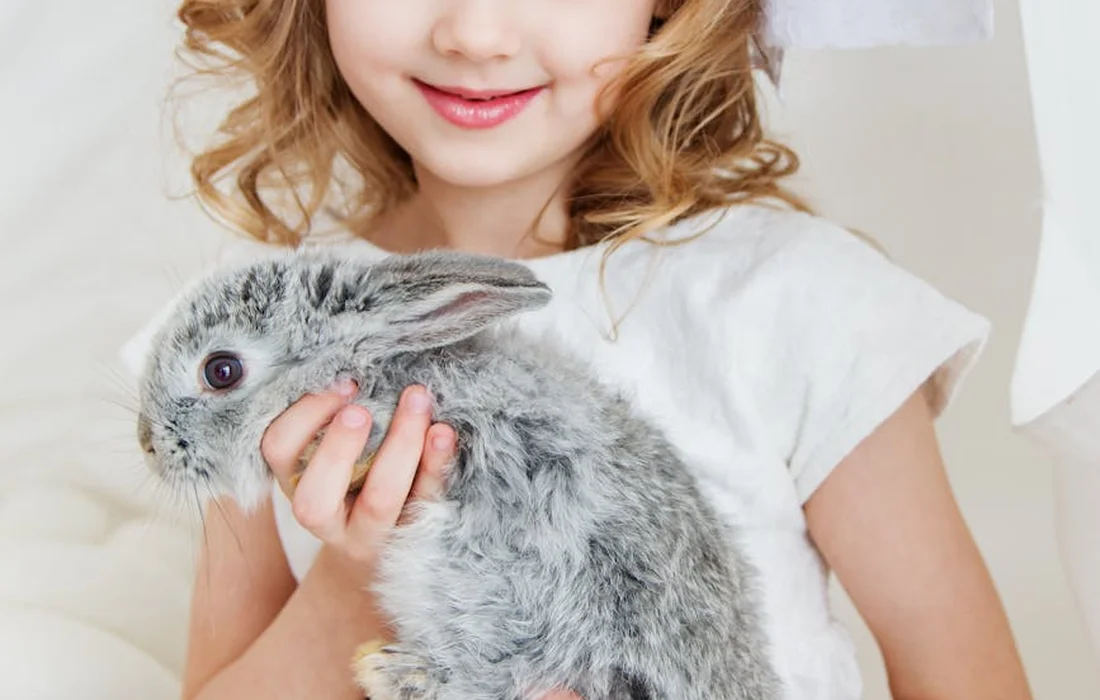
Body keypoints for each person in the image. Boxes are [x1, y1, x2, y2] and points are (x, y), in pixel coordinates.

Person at [156, 0, 1034, 698]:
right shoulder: (252, 338)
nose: (475, 32)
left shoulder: (798, 306)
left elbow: (962, 676)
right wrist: (357, 585)